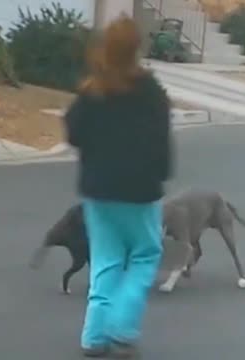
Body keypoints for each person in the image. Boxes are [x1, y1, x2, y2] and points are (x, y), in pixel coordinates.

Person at [63, 14, 173, 358]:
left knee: (107, 260)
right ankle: (122, 327)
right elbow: (161, 141)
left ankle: (94, 336)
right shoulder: (150, 91)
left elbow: (74, 133)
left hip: (99, 191)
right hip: (140, 192)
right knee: (144, 255)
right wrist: (161, 173)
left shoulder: (92, 89)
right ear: (136, 49)